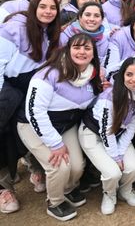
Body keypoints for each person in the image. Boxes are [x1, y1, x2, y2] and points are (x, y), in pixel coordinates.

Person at [17, 34, 103, 221]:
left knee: (77, 165)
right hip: (33, 125)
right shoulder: (49, 74)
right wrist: (55, 144)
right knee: (59, 167)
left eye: (87, 48)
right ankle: (55, 202)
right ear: (68, 49)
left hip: (66, 125)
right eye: (77, 47)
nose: (82, 52)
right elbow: (34, 112)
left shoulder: (93, 75)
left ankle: (68, 188)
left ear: (93, 53)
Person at [0, 0, 61, 214]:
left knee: (26, 132)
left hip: (31, 87)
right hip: (9, 88)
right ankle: (4, 188)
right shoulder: (14, 28)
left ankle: (35, 167)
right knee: (4, 134)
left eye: (53, 8)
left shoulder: (51, 32)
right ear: (33, 8)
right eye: (43, 6)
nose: (48, 11)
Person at [80, 57, 135, 215]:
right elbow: (106, 131)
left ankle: (125, 190)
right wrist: (116, 157)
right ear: (122, 76)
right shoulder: (109, 97)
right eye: (129, 74)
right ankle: (109, 194)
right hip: (93, 134)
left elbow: (132, 128)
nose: (134, 79)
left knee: (133, 167)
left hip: (117, 135)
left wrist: (120, 152)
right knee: (113, 172)